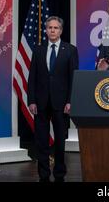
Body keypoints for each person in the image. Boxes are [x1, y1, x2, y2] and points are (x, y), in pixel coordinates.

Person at [27, 16, 79, 182]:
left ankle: (59, 174)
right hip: (41, 102)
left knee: (60, 143)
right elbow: (32, 77)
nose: (52, 30)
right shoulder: (38, 49)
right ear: (46, 30)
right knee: (41, 142)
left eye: (56, 28)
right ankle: (43, 175)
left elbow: (74, 78)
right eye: (50, 27)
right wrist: (31, 100)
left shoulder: (70, 50)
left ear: (61, 30)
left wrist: (71, 100)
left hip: (61, 103)